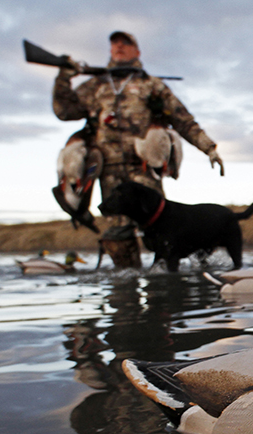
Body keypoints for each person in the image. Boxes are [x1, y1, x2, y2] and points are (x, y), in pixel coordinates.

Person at [52, 31, 224, 268]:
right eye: (115, 43)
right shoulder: (96, 86)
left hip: (144, 169)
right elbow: (64, 111)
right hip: (109, 172)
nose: (119, 46)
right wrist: (63, 78)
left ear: (137, 51)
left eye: (126, 43)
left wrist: (209, 148)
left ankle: (162, 291)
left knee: (161, 231)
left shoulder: (151, 85)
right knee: (118, 236)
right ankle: (126, 293)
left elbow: (182, 119)